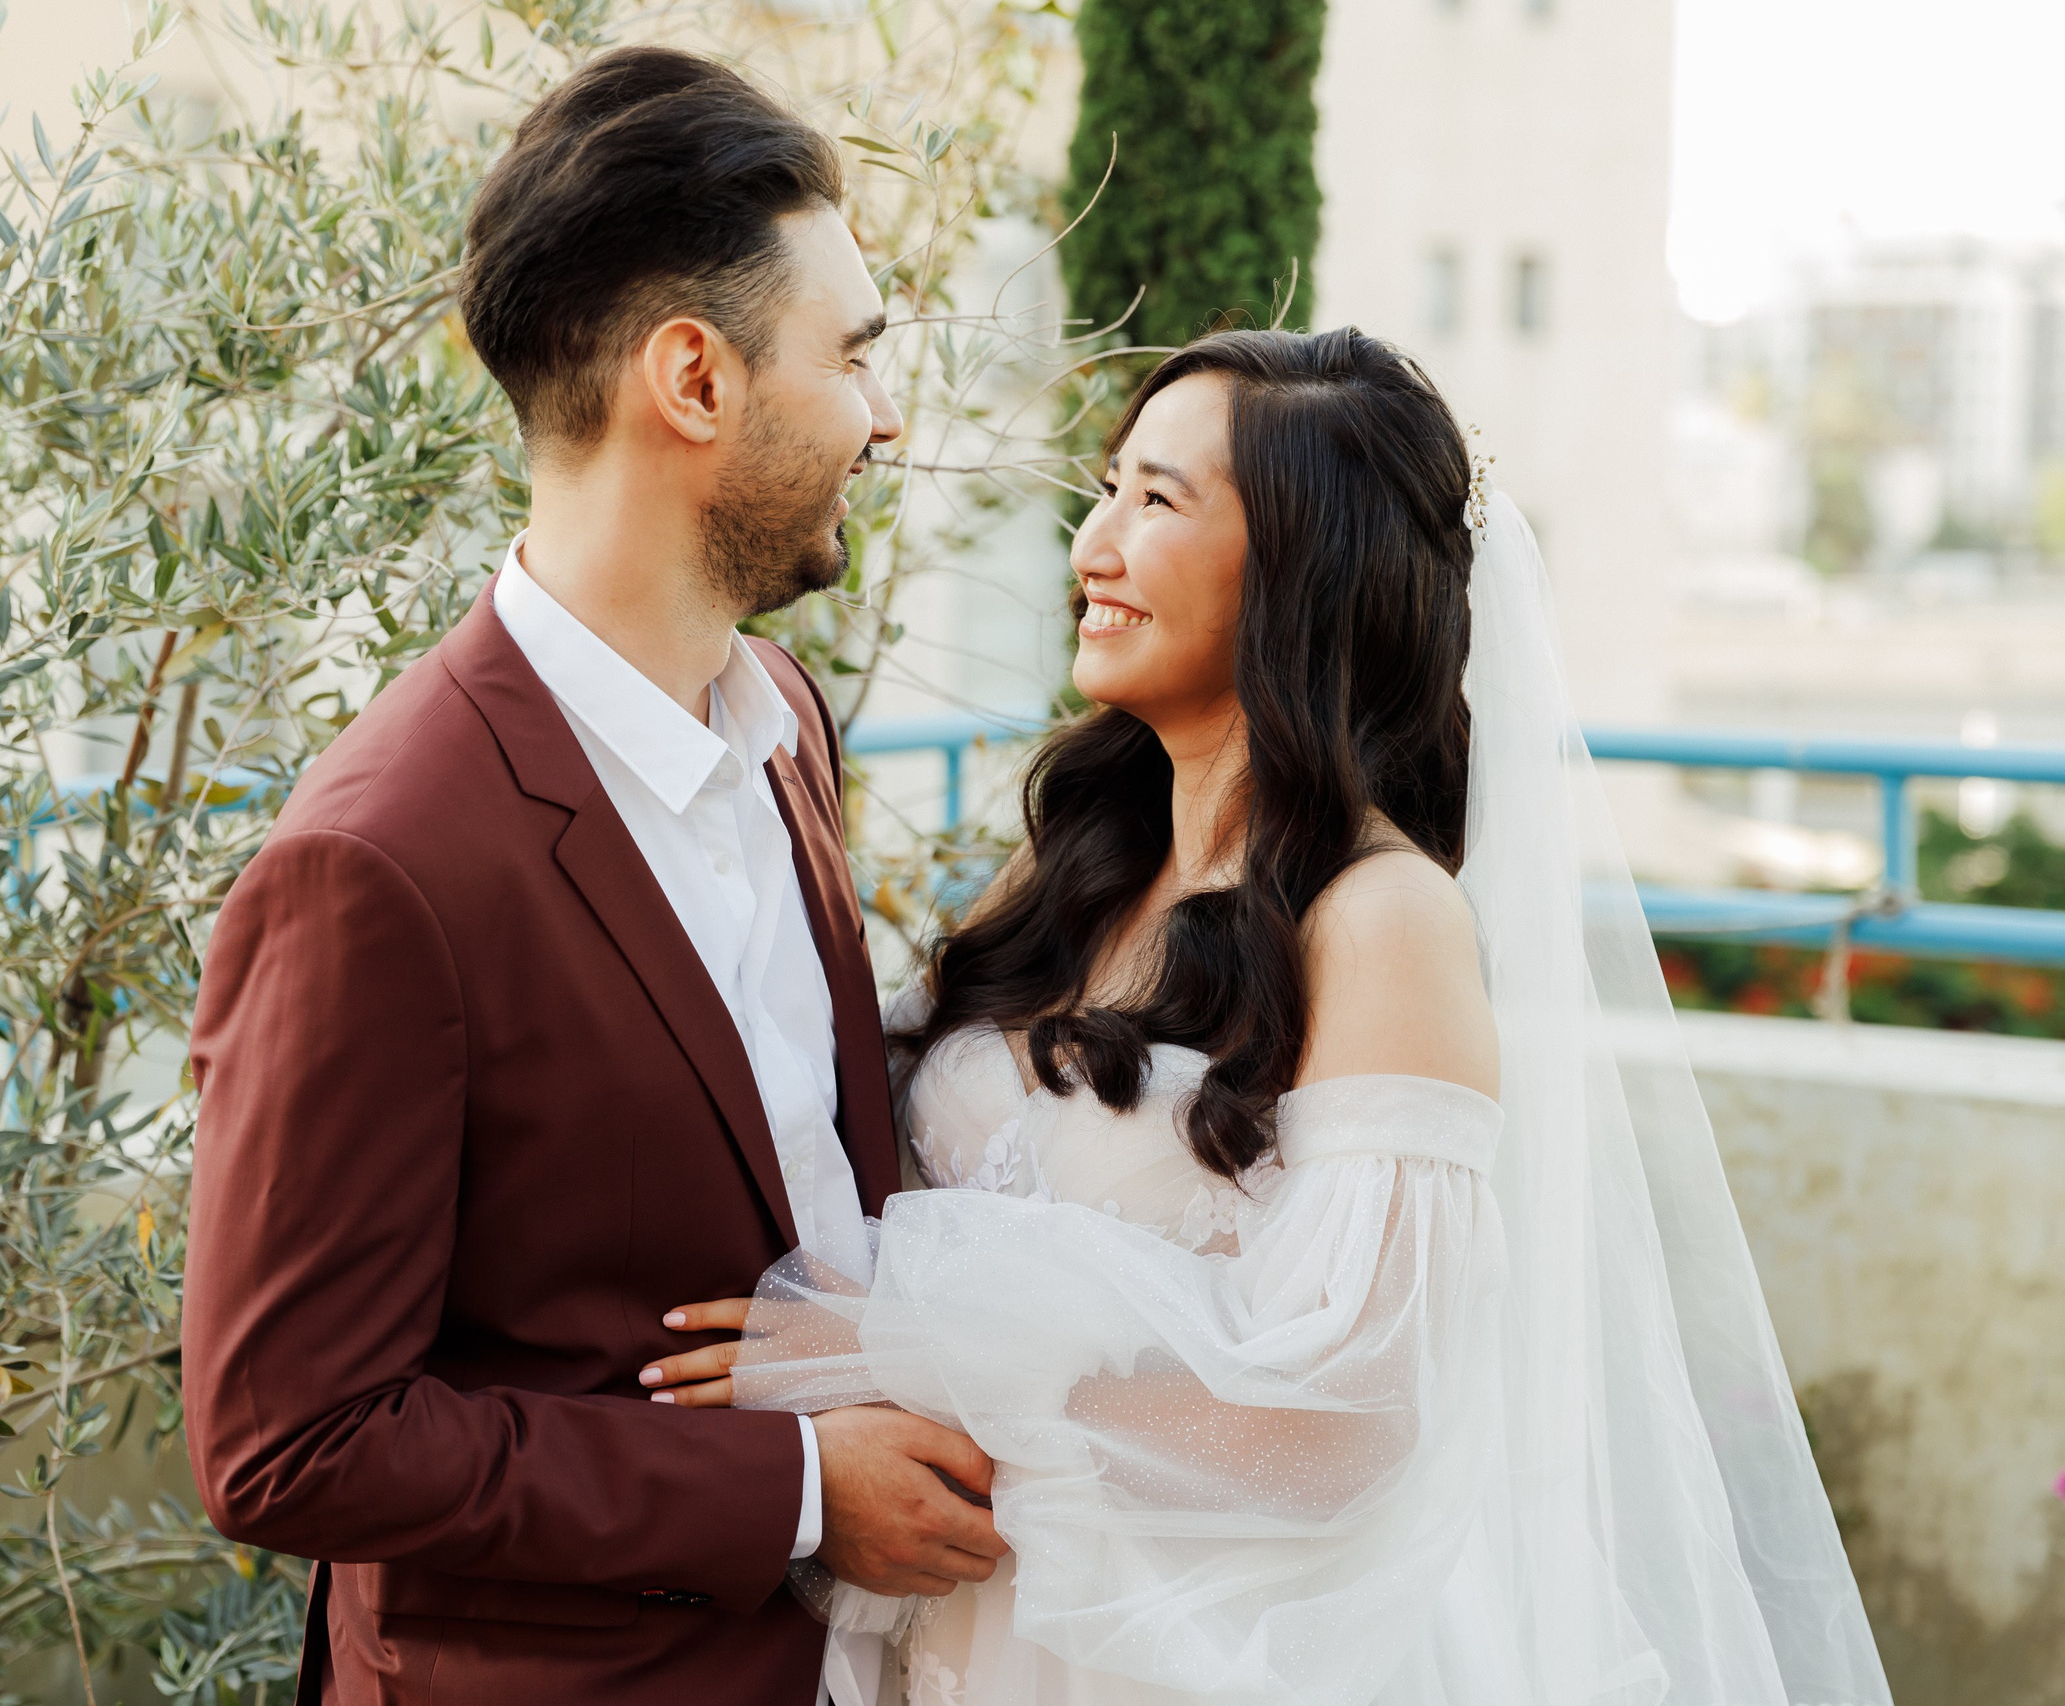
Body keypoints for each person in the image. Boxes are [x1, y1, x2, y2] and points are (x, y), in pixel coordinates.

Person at [638, 329, 1894, 1706]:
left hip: (1190, 1652)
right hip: (973, 1627)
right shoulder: (1073, 860)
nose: (1093, 545)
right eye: (1107, 487)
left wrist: (902, 1369)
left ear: (1304, 569)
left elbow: (1346, 1427)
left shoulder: (1383, 915)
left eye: (1157, 500)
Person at [181, 46, 1005, 1706]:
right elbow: (289, 1440)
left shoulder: (782, 715)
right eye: (852, 355)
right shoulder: (376, 865)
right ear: (692, 381)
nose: (885, 414)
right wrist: (792, 1489)